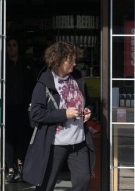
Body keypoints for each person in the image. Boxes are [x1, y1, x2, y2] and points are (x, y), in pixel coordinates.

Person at [22, 41, 94, 191]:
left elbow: (88, 101)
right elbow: (36, 113)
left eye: (75, 59)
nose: (75, 63)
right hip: (55, 143)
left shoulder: (78, 78)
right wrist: (64, 114)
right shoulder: (44, 83)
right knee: (46, 185)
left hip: (78, 141)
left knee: (83, 180)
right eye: (70, 60)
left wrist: (88, 109)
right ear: (58, 60)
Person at [5, 38, 32, 182]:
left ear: (19, 48)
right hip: (7, 106)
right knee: (9, 138)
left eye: (14, 45)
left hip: (22, 106)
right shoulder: (3, 66)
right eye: (9, 45)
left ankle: (20, 164)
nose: (11, 48)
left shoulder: (25, 65)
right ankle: (10, 168)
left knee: (22, 137)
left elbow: (31, 85)